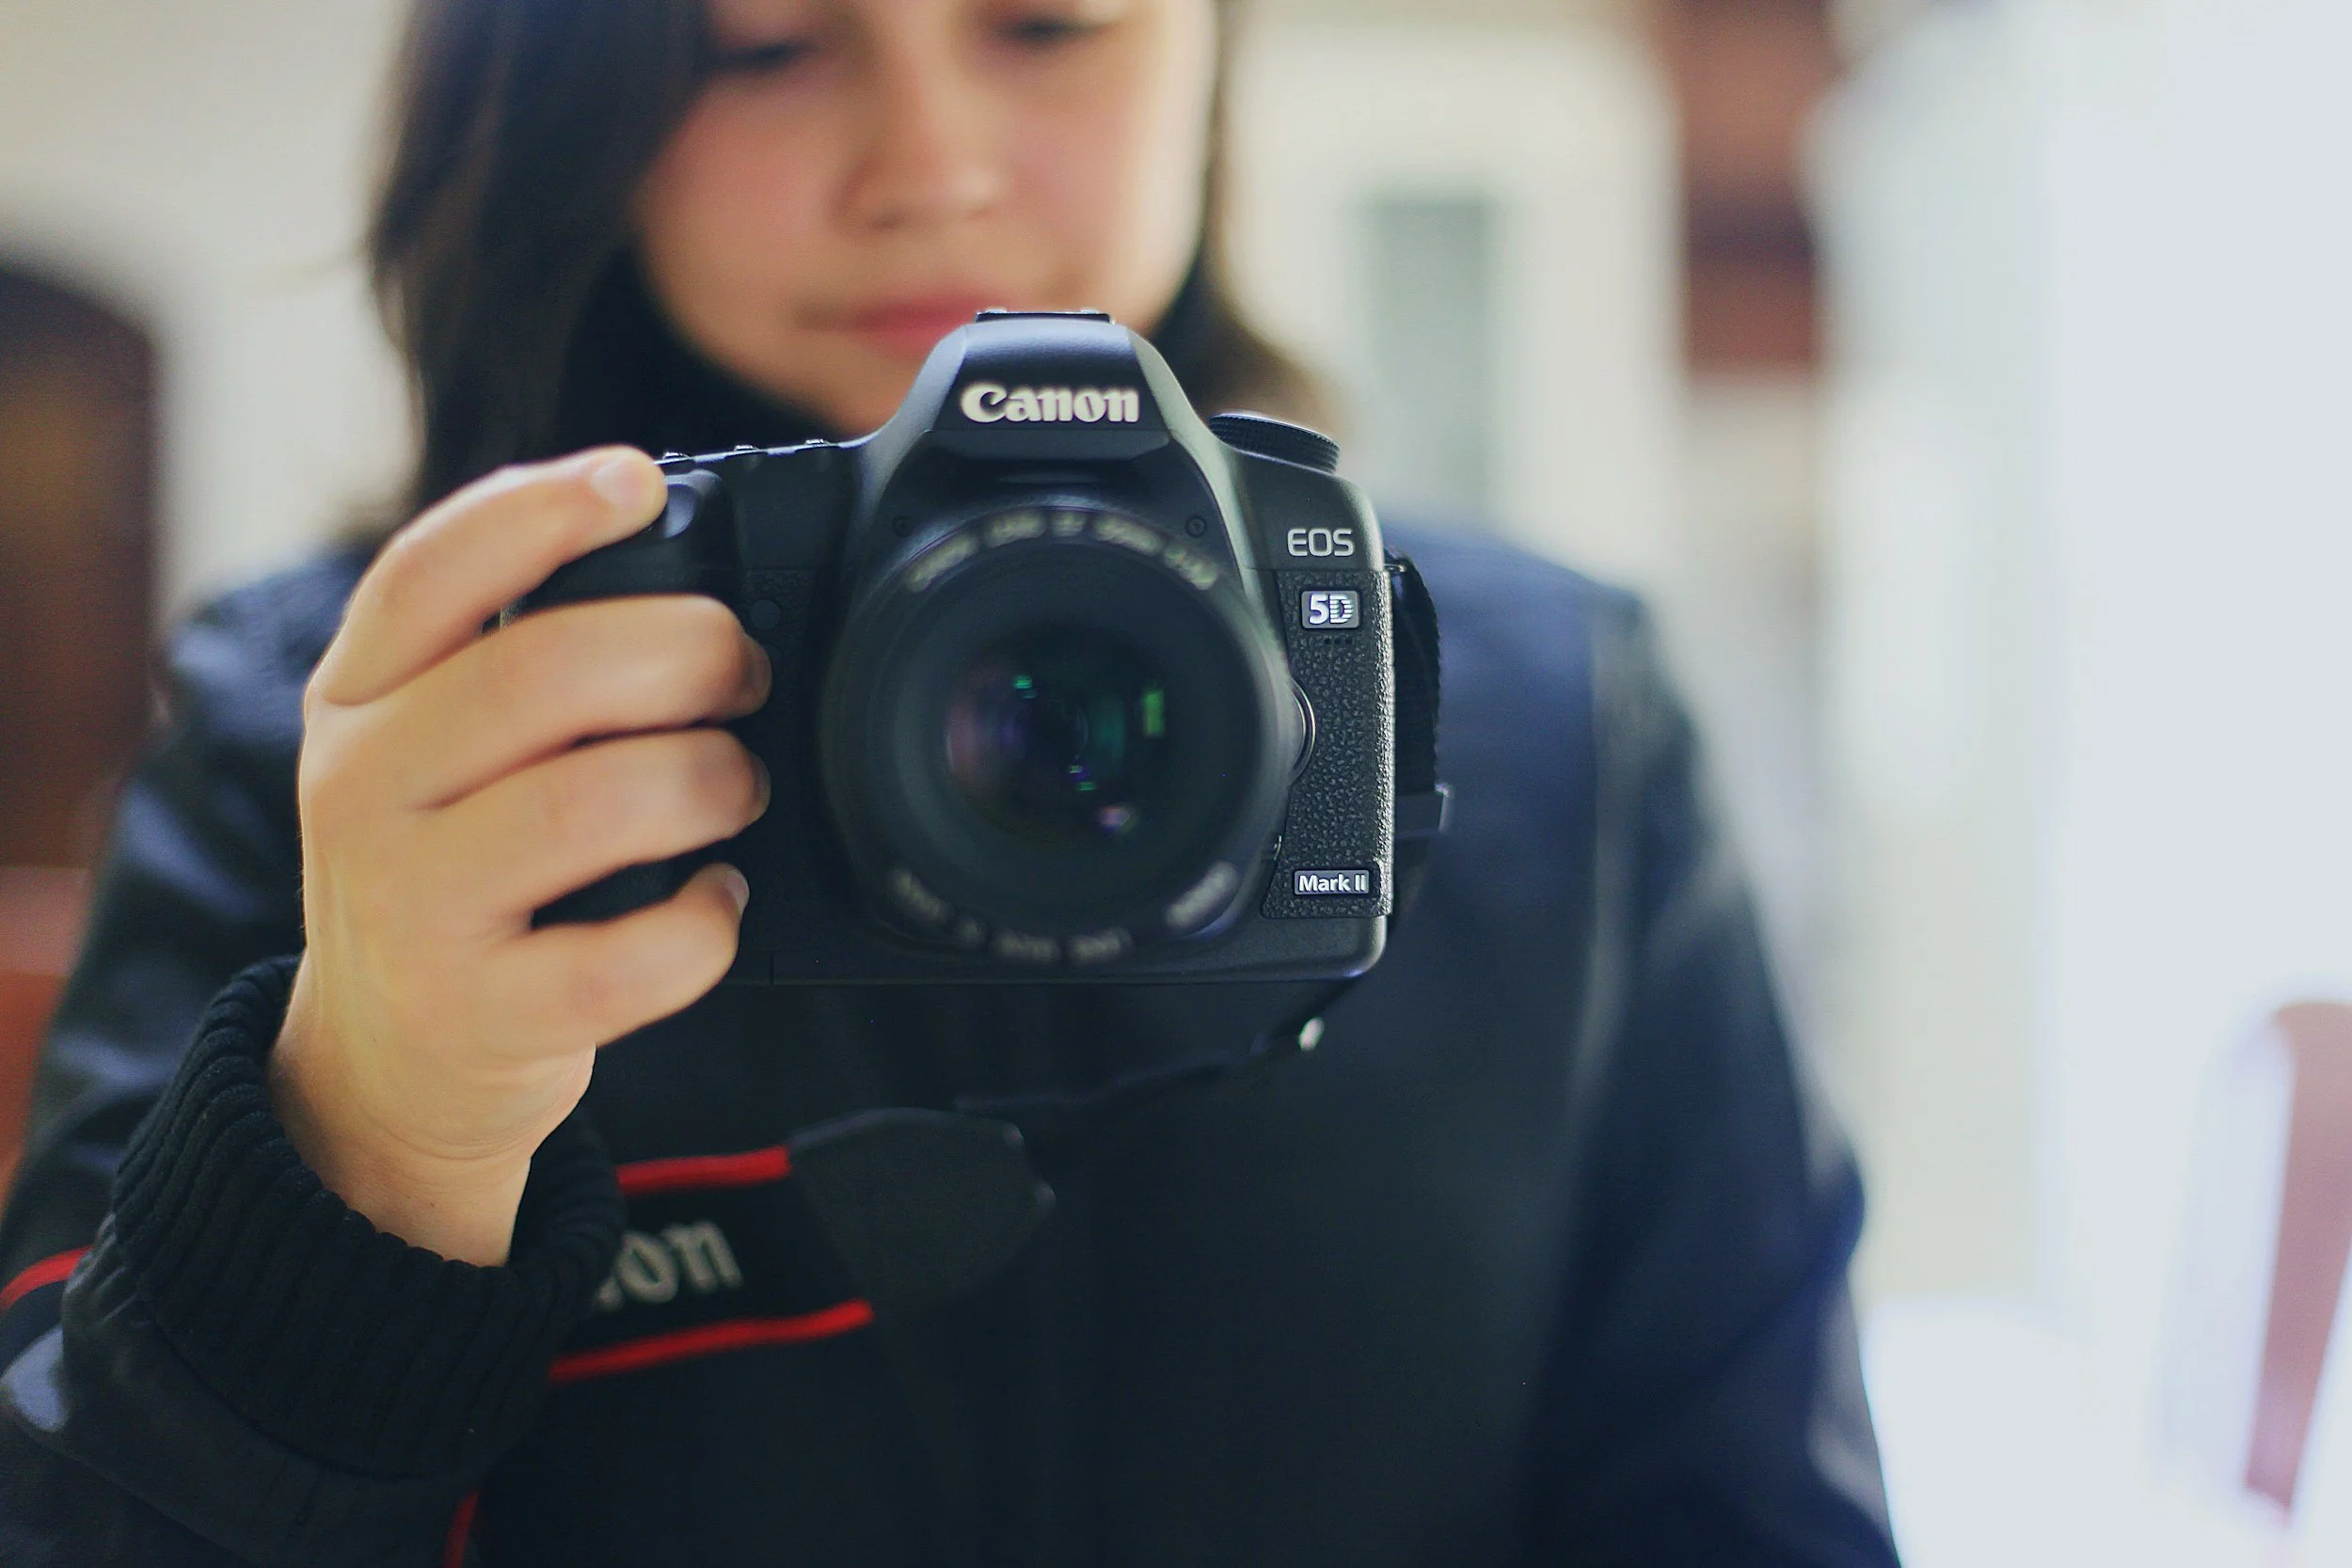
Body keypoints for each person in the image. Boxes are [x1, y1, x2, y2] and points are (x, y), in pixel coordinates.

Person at [0, 1, 1899, 1562]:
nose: (929, 167)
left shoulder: (1552, 720)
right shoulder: (370, 734)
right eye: (764, 51)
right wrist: (376, 1143)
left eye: (1044, 25)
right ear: (566, 91)